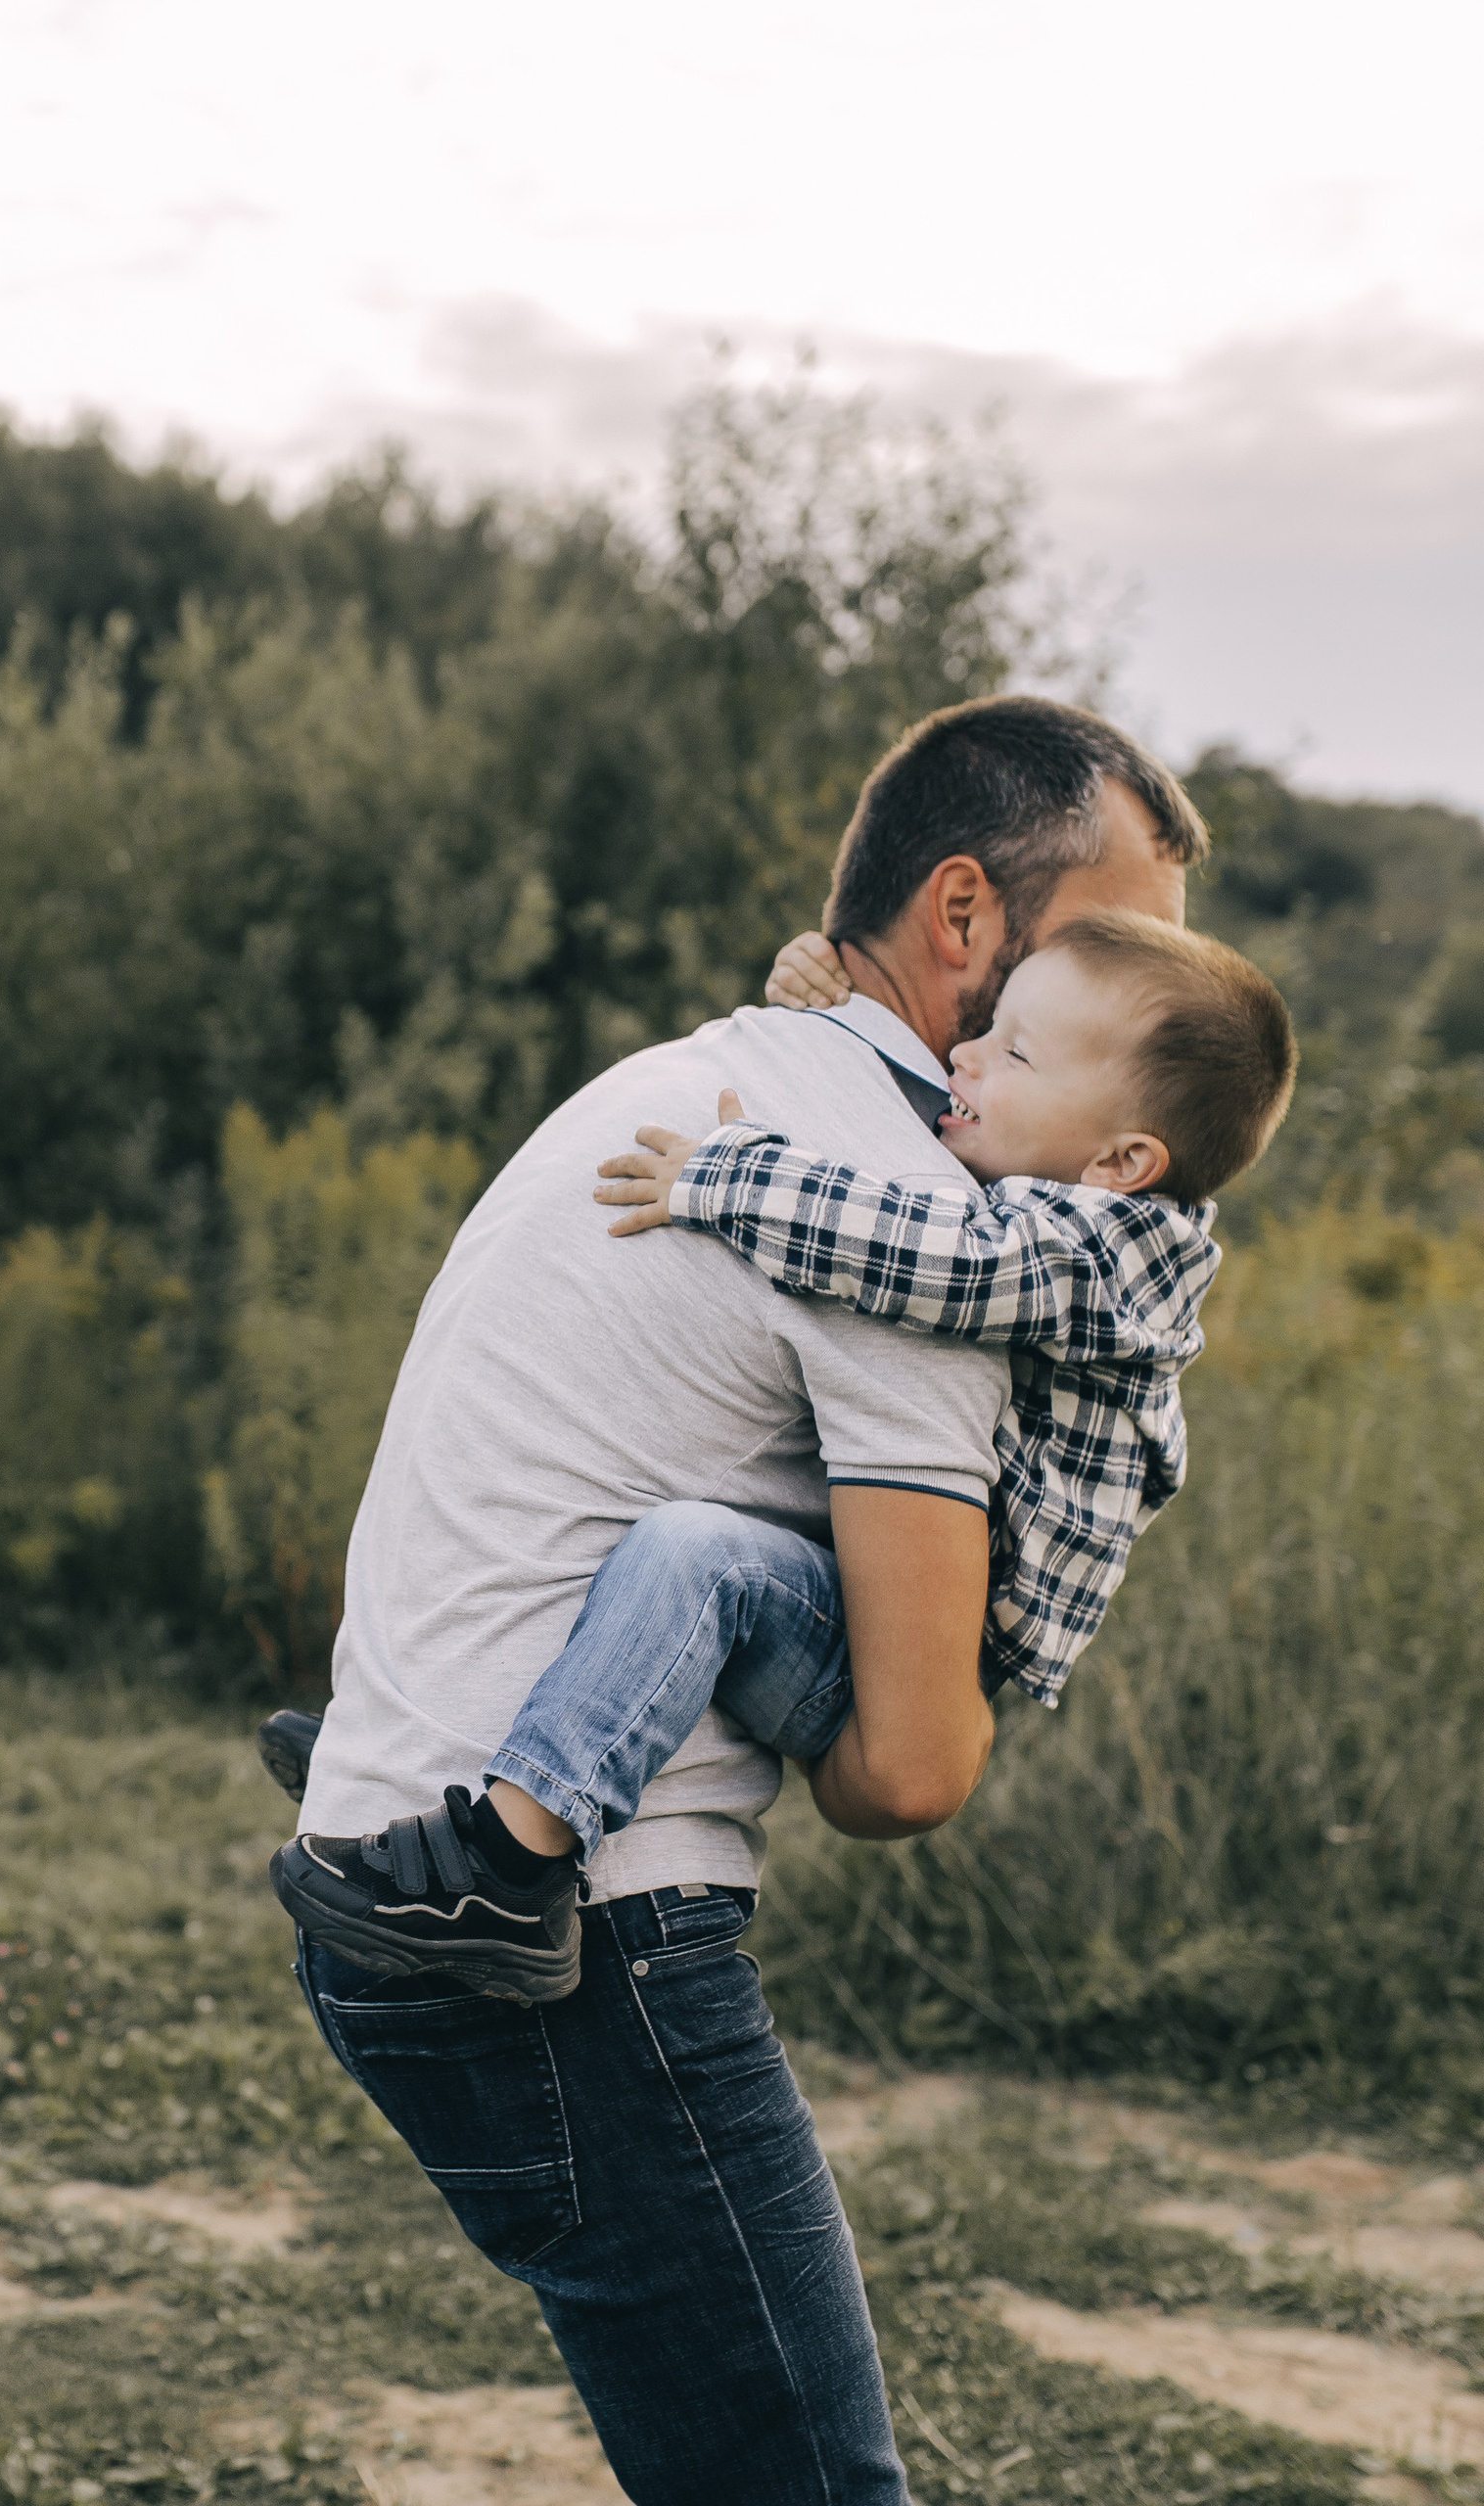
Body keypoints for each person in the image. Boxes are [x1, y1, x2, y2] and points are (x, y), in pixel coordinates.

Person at [275, 694, 1210, 2504]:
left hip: (371, 1847)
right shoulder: (914, 1213)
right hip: (571, 1950)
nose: (1150, 997)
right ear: (967, 924)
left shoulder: (689, 1082)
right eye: (1111, 947)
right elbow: (915, 1772)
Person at [269, 908, 1297, 2001]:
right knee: (663, 1526)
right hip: (870, 1589)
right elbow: (898, 1096)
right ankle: (419, 1746)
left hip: (916, 1648)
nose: (964, 1053)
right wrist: (823, 995)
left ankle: (504, 1873)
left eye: (1014, 1051)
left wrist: (734, 1176)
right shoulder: (1075, 1184)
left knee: (696, 1560)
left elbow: (933, 1253)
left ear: (1122, 1160)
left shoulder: (1105, 1254)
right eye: (985, 1025)